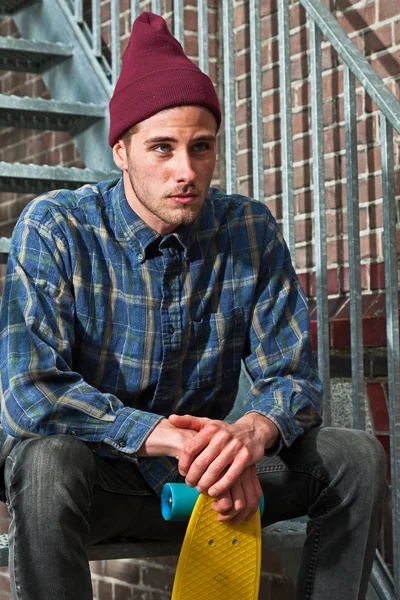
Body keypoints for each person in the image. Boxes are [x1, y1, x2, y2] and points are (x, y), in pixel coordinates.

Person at [0, 11, 387, 600]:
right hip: (97, 480)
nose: (186, 172)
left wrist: (249, 438)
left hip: (207, 478)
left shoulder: (248, 229)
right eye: (163, 148)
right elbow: (31, 392)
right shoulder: (56, 227)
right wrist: (162, 434)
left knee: (354, 456)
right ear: (122, 150)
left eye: (200, 148)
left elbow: (293, 378)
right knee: (47, 461)